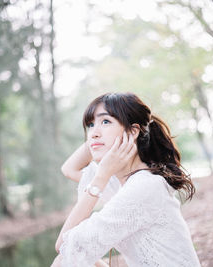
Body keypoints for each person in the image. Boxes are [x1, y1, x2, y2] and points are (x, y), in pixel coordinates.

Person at [51, 92, 200, 267]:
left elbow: (63, 246)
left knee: (63, 261)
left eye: (106, 121)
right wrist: (99, 139)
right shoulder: (119, 182)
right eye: (90, 125)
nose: (93, 133)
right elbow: (69, 168)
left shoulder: (145, 186)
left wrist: (101, 176)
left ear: (133, 131)